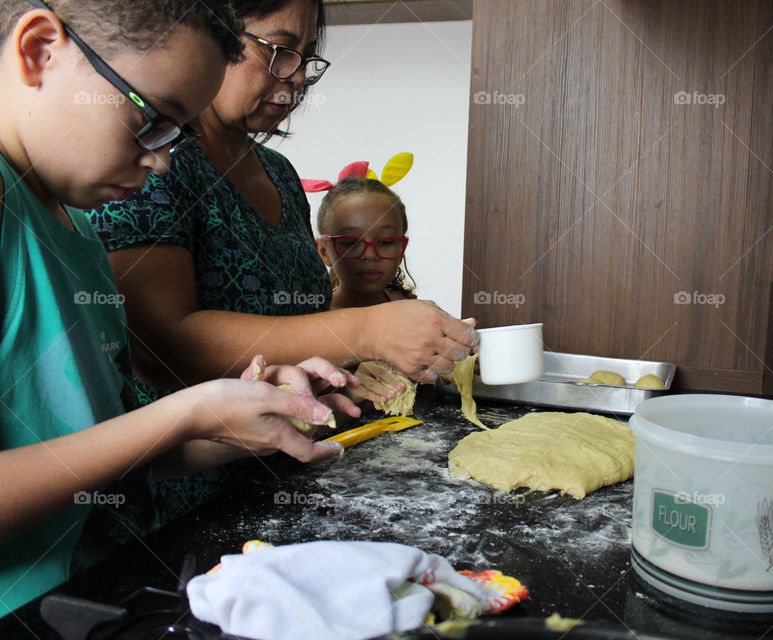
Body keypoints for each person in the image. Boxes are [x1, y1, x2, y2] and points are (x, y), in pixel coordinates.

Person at [0, 0, 360, 615]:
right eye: (153, 122)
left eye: (181, 132)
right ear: (39, 51)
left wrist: (229, 423)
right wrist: (186, 411)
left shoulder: (80, 228)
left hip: (80, 597)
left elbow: (97, 451)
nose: (164, 159)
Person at [87, 0, 477, 408]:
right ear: (210, 34)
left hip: (294, 446)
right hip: (191, 459)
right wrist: (364, 331)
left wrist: (341, 368)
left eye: (306, 59)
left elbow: (294, 332)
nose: (296, 77)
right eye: (278, 51)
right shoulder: (153, 163)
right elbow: (160, 346)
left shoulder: (280, 174)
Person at [314, 168, 418, 309]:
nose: (370, 255)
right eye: (351, 243)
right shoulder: (312, 318)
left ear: (402, 248)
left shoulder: (415, 314)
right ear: (324, 251)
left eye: (385, 242)